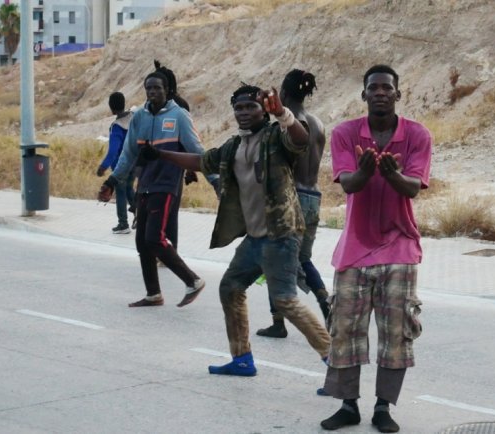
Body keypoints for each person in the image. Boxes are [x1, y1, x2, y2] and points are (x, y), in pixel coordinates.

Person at [144, 84, 331, 376]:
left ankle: (335, 360)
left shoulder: (274, 137)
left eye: (251, 107)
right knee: (230, 288)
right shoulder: (234, 146)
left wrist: (283, 114)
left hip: (280, 234)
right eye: (239, 108)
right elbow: (203, 161)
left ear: (263, 111)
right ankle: (242, 359)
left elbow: (301, 140)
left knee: (285, 300)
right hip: (256, 238)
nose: (244, 113)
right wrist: (162, 154)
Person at [320, 65, 431, 433]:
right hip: (355, 247)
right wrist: (367, 172)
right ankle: (348, 405)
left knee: (396, 333)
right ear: (364, 95)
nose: (380, 93)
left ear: (398, 94)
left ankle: (383, 407)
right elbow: (349, 184)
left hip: (399, 246)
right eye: (374, 88)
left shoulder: (417, 134)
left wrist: (390, 174)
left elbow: (413, 188)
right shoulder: (345, 133)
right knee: (344, 328)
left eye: (387, 87)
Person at [97, 61, 219, 308]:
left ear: (167, 90)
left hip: (166, 184)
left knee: (154, 238)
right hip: (145, 184)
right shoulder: (139, 117)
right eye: (148, 89)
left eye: (157, 88)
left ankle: (192, 280)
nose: (152, 93)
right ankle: (153, 294)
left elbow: (197, 151)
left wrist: (215, 181)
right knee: (142, 242)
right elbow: (128, 154)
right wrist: (111, 181)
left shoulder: (179, 116)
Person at [256, 69, 330, 339]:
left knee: (273, 259)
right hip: (313, 196)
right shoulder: (318, 122)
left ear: (284, 93)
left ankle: (278, 321)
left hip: (290, 199)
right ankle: (326, 303)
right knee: (304, 259)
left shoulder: (287, 123)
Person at [96, 92, 135, 234]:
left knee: (120, 193)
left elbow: (113, 151)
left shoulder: (116, 127)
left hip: (120, 166)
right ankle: (141, 216)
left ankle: (123, 224)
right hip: (134, 162)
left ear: (111, 108)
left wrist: (103, 166)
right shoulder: (133, 118)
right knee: (130, 190)